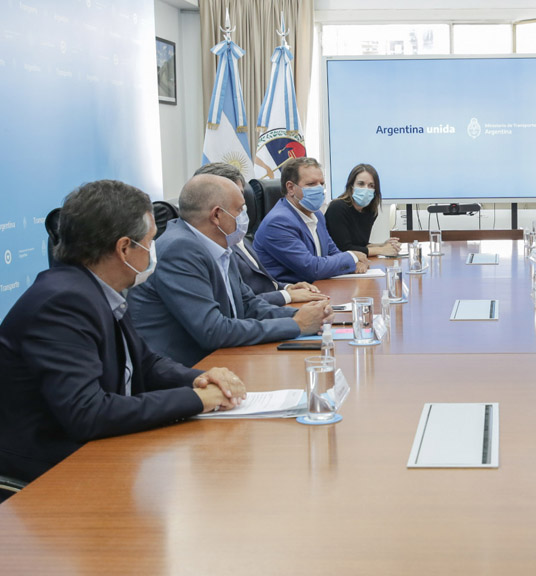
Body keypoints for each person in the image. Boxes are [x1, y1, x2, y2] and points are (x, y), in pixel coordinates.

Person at [0, 180, 244, 487]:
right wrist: (195, 399)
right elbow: (88, 413)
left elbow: (145, 363)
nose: (155, 250)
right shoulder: (62, 303)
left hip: (105, 451)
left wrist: (198, 378)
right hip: (53, 472)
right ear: (125, 248)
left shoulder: (100, 288)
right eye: (151, 240)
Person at [128, 174, 333, 367]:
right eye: (240, 209)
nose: (245, 216)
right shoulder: (180, 249)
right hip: (185, 371)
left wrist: (305, 315)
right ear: (217, 215)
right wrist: (297, 325)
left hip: (222, 359)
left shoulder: (222, 244)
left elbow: (248, 305)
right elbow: (213, 330)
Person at [193, 162, 327, 307]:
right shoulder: (209, 247)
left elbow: (263, 283)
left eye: (242, 194)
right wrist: (286, 296)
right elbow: (238, 303)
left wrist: (287, 288)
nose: (243, 204)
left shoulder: (236, 235)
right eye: (235, 196)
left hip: (270, 309)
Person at [253, 157, 370, 283]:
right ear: (291, 188)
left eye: (321, 184)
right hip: (292, 295)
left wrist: (355, 263)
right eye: (311, 184)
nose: (319, 189)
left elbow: (332, 252)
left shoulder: (317, 214)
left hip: (317, 288)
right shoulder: (278, 222)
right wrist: (352, 257)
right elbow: (311, 268)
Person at [325, 163, 401, 257]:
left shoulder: (370, 211)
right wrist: (381, 250)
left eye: (371, 185)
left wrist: (382, 245)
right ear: (351, 185)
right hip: (336, 263)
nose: (366, 189)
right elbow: (344, 248)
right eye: (361, 184)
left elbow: (359, 245)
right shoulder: (337, 208)